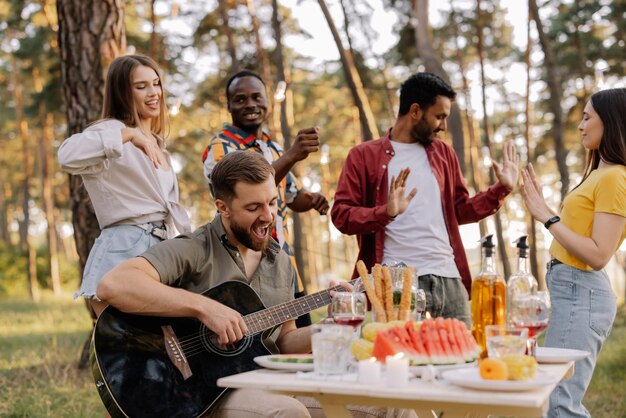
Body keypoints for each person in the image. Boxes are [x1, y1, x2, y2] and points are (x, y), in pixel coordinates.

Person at [97, 151, 415, 418]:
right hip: (201, 392)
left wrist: (331, 328)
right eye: (253, 208)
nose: (268, 217)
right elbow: (114, 284)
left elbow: (284, 340)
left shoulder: (280, 263)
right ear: (223, 207)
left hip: (265, 377)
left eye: (273, 204)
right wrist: (205, 308)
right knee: (288, 414)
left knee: (395, 405)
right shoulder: (195, 249)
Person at [331, 72, 519, 327]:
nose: (443, 125)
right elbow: (342, 215)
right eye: (439, 116)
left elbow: (460, 210)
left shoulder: (443, 153)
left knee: (460, 360)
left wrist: (501, 189)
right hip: (395, 283)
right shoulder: (363, 156)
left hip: (449, 280)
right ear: (416, 111)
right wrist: (385, 211)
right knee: (400, 363)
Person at [58, 54, 191, 316]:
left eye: (156, 84)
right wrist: (129, 135)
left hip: (162, 251)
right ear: (121, 92)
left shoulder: (158, 146)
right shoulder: (109, 131)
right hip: (125, 249)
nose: (153, 93)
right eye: (141, 87)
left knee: (162, 344)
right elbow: (67, 155)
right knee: (125, 345)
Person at [520, 88, 625, 418]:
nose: (580, 125)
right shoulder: (600, 175)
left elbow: (598, 254)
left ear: (610, 122)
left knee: (559, 401)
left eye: (587, 117)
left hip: (583, 292)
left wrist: (547, 216)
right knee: (551, 396)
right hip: (571, 291)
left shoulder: (614, 179)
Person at [202, 70, 329, 327]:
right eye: (240, 99)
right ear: (228, 106)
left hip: (285, 266)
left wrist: (312, 200)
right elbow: (249, 188)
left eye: (256, 97)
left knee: (300, 349)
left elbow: (291, 198)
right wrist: (292, 156)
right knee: (260, 350)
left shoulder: (273, 148)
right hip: (244, 273)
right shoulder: (219, 148)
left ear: (267, 102)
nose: (250, 104)